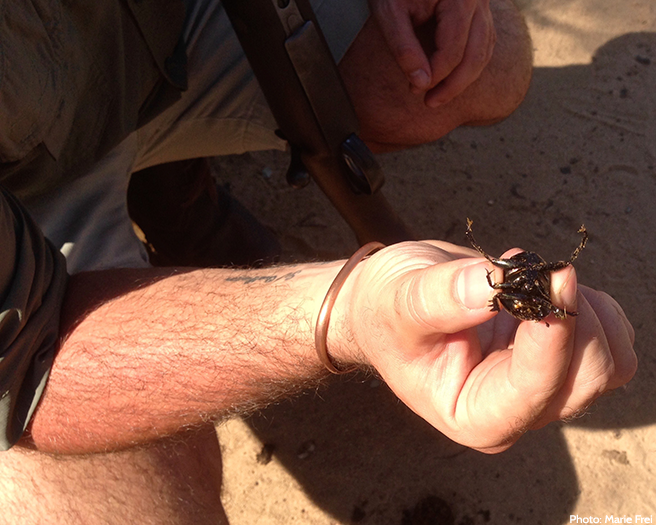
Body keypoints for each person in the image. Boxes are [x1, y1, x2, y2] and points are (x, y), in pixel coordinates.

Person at [0, 0, 636, 523]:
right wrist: (350, 308)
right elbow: (29, 354)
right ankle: (165, 202)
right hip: (26, 195)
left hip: (150, 30)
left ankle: (169, 188)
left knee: (479, 56)